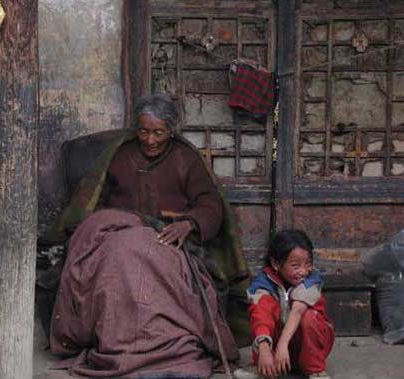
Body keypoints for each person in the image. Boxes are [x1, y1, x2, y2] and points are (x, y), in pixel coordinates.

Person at [45, 93, 250, 378]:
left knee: (156, 272)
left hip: (168, 238)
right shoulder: (119, 154)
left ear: (171, 131)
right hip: (118, 236)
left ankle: (167, 345)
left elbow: (210, 204)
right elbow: (91, 202)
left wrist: (189, 224)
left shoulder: (185, 158)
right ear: (135, 128)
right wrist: (107, 226)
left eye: (158, 132)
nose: (150, 140)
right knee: (116, 265)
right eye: (143, 131)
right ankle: (118, 345)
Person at [244, 230, 334, 379]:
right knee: (261, 314)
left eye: (308, 264)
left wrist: (282, 344)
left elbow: (298, 311)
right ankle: (266, 366)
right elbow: (261, 317)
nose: (304, 271)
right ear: (276, 264)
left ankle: (315, 370)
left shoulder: (312, 280)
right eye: (295, 266)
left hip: (306, 346)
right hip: (281, 349)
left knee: (309, 317)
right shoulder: (263, 283)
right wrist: (265, 350)